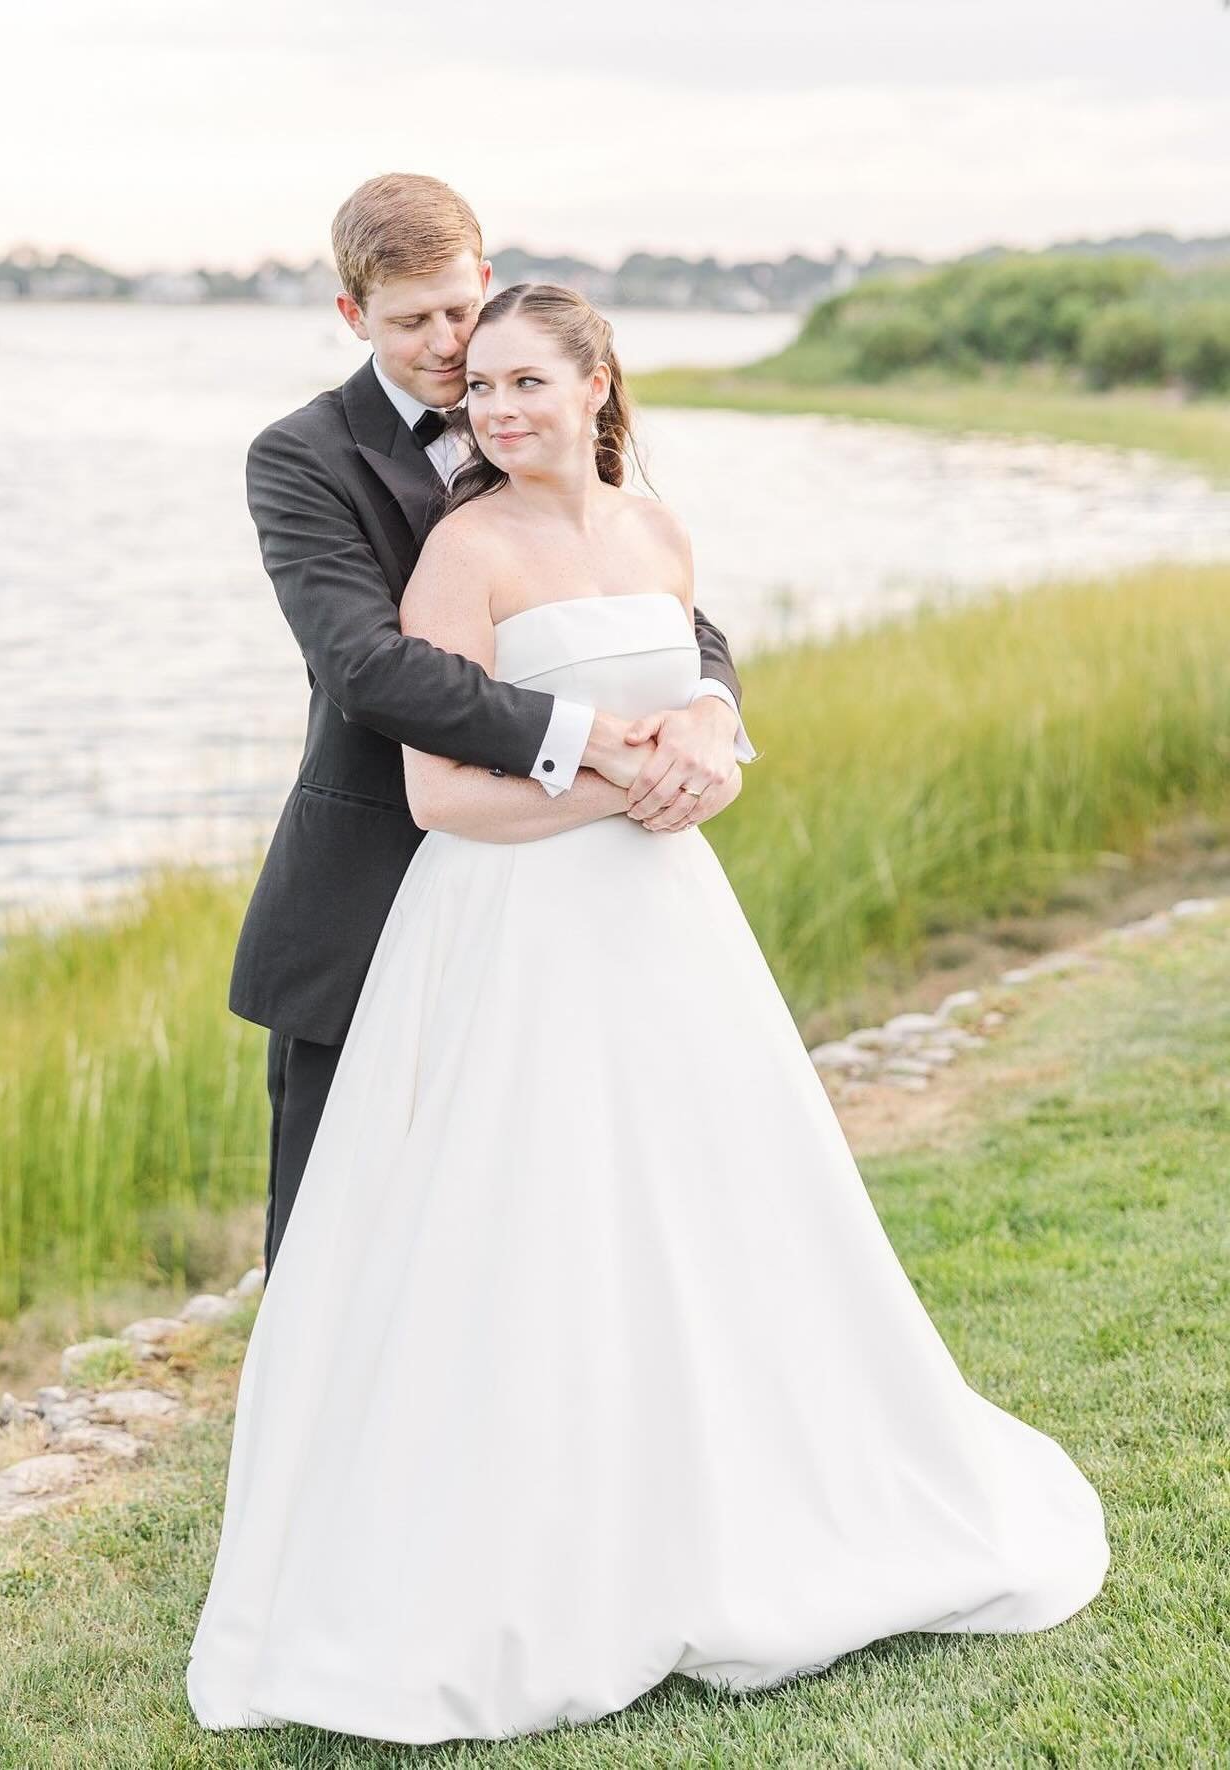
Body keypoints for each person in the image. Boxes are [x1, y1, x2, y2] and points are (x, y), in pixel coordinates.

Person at [184, 278, 1111, 1744]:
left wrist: (713, 748)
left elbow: (698, 684)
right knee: (521, 1223)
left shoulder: (660, 532)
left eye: (519, 380)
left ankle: (729, 1498)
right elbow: (430, 785)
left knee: (708, 1208)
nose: (490, 406)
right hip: (511, 934)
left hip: (667, 932)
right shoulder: (455, 547)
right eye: (476, 384)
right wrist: (626, 778)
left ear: (596, 383)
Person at [226, 172, 755, 1279]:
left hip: (575, 904)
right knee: (339, 1235)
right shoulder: (303, 456)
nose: (446, 343)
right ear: (353, 316)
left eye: (460, 309)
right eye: (411, 320)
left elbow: (641, 598)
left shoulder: (533, 410)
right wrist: (594, 741)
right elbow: (365, 665)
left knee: (558, 1210)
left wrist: (710, 708)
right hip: (374, 882)